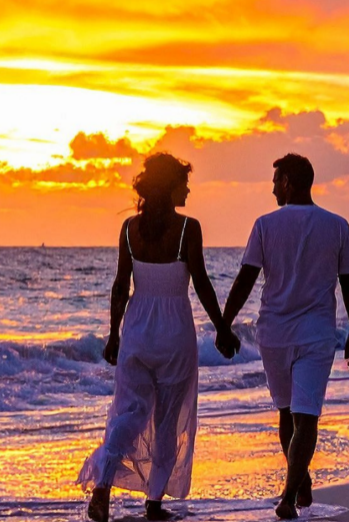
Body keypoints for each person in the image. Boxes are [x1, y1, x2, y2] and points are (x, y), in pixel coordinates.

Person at [77, 153, 238, 522]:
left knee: (128, 411)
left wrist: (114, 335)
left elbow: (121, 286)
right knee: (167, 419)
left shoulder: (129, 229)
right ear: (170, 187)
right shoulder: (188, 229)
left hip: (137, 330)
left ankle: (103, 484)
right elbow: (201, 282)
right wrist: (222, 328)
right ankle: (154, 503)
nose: (188, 189)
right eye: (183, 182)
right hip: (175, 332)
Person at [216, 153, 349, 519]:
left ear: (288, 183)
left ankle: (287, 496)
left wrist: (225, 323)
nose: (271, 189)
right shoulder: (337, 224)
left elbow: (246, 279)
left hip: (279, 333)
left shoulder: (266, 225)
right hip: (309, 333)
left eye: (275, 180)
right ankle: (301, 479)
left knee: (299, 414)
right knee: (296, 413)